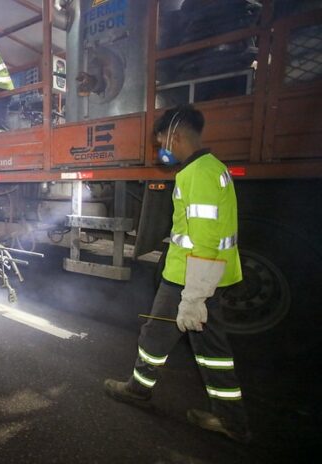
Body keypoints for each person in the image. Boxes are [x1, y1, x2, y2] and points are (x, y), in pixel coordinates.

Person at [103, 105, 251, 444]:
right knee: (212, 349)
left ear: (176, 136)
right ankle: (232, 420)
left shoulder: (195, 174)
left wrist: (194, 295)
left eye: (161, 143)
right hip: (211, 276)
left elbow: (205, 236)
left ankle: (137, 390)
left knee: (155, 336)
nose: (161, 150)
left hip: (189, 279)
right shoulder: (215, 168)